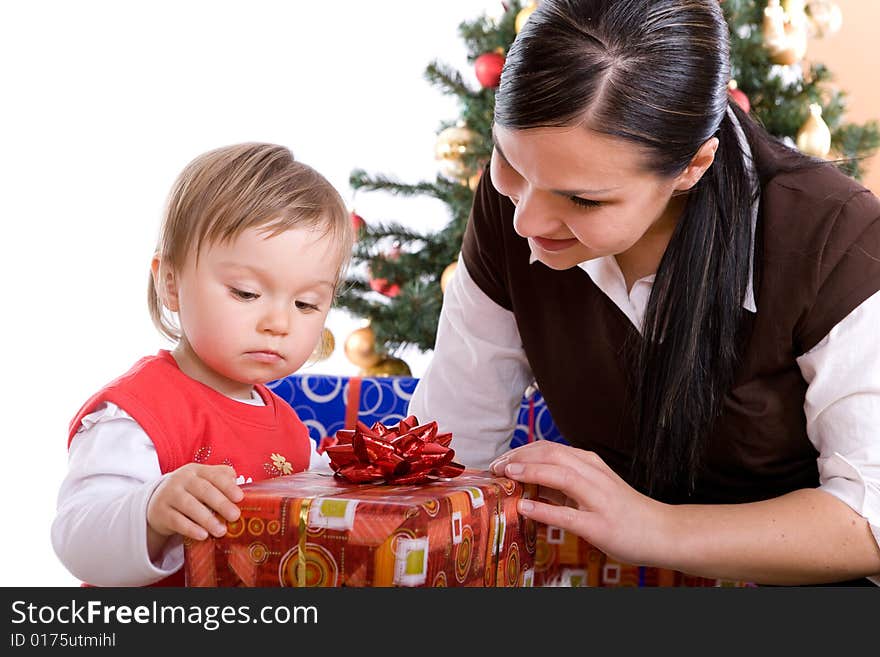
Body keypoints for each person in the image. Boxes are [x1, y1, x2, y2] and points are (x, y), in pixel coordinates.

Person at [409, 0, 880, 586]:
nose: (526, 221)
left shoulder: (833, 235)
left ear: (692, 165)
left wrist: (653, 528)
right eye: (509, 162)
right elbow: (453, 445)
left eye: (583, 200)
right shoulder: (513, 204)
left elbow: (870, 518)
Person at [52, 143, 353, 586]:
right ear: (171, 284)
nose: (278, 323)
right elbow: (76, 538)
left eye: (307, 303)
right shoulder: (137, 412)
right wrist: (151, 512)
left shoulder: (288, 428)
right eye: (247, 293)